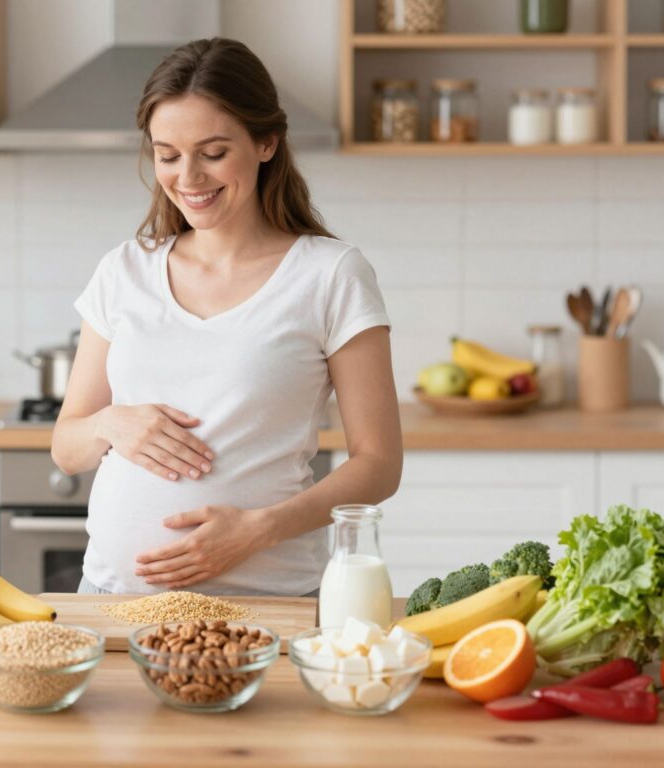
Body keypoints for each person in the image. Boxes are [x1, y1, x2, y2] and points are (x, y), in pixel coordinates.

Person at [51, 37, 402, 597]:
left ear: (266, 142)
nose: (188, 177)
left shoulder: (330, 274)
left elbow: (380, 464)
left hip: (266, 608)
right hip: (114, 605)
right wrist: (107, 423)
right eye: (167, 155)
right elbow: (66, 448)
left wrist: (257, 531)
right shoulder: (124, 271)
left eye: (212, 153)